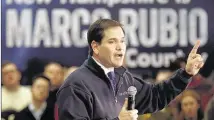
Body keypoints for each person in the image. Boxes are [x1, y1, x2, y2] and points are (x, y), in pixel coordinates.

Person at [56, 19, 204, 120]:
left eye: (122, 41)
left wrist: (186, 73)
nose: (120, 47)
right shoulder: (76, 85)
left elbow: (155, 96)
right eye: (112, 41)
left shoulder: (122, 77)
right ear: (95, 47)